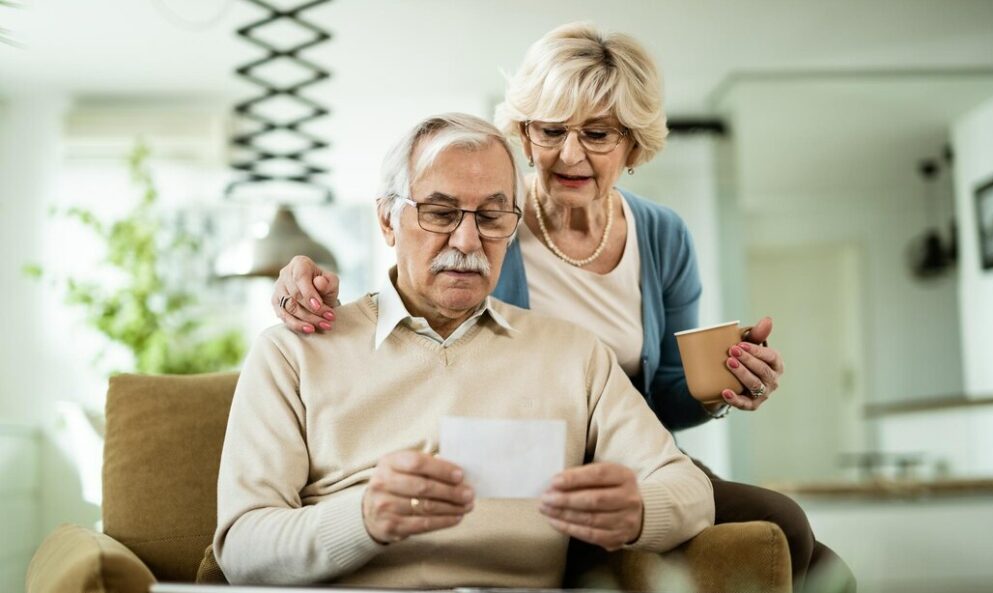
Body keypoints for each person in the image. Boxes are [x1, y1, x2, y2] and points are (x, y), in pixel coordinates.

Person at [269, 22, 853, 592]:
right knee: (793, 536)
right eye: (551, 131)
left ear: (632, 145)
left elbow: (665, 396)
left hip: (621, 454)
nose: (569, 154)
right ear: (524, 136)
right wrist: (305, 284)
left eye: (597, 134)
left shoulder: (662, 235)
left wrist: (723, 386)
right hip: (523, 458)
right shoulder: (491, 219)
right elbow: (419, 292)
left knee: (796, 535)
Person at [213, 113, 714, 587]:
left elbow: (690, 491)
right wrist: (363, 517)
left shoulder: (573, 355)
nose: (469, 239)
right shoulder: (293, 353)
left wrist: (641, 511)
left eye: (493, 217)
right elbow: (241, 547)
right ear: (388, 220)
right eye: (440, 212)